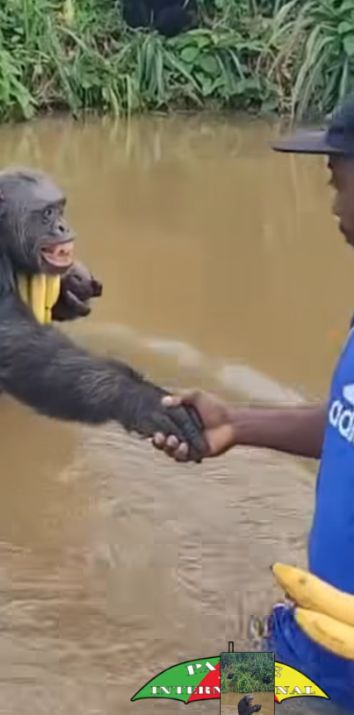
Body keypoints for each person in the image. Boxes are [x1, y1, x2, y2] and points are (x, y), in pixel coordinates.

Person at [153, 95, 354, 712]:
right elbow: (344, 424)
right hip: (308, 642)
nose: (334, 206)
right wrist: (236, 424)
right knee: (184, 691)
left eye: (338, 181)